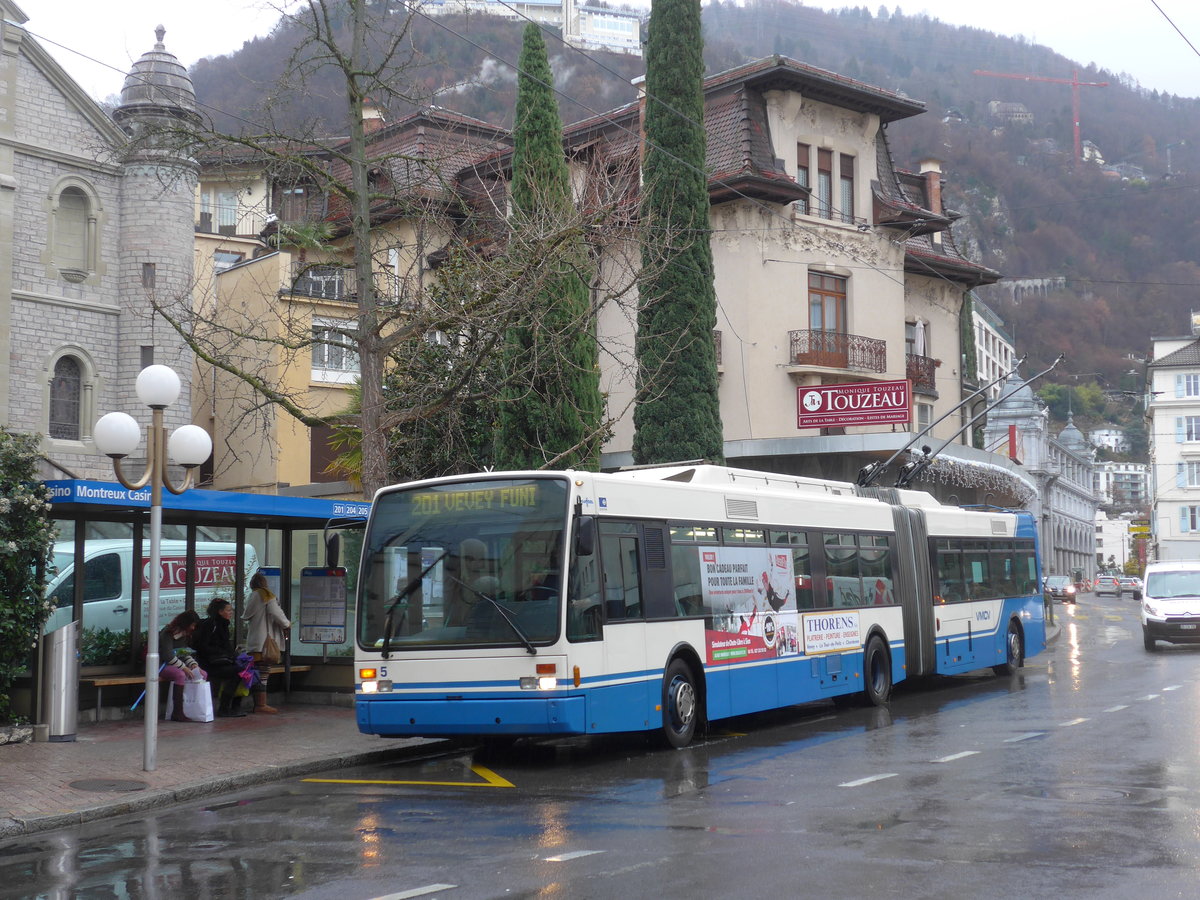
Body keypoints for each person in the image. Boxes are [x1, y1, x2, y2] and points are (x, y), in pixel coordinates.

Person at [242, 571, 290, 714]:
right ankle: (261, 705)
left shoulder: (252, 596)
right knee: (263, 672)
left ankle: (258, 703)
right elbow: (276, 613)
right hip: (265, 642)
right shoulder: (266, 595)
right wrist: (287, 624)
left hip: (254, 641)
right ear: (264, 584)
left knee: (257, 672)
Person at [194, 598, 247, 718]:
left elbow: (226, 646)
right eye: (228, 610)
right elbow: (203, 646)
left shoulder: (223, 625)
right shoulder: (210, 625)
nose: (231, 612)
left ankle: (235, 706)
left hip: (221, 661)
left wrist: (234, 655)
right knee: (238, 672)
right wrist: (223, 653)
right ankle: (224, 708)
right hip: (210, 663)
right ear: (220, 612)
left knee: (246, 671)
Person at [160, 610, 206, 723]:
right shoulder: (167, 633)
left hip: (177, 664)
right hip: (161, 665)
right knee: (180, 675)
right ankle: (177, 712)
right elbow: (168, 656)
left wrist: (193, 664)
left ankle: (195, 709)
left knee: (202, 674)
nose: (193, 628)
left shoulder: (184, 634)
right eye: (192, 625)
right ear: (185, 623)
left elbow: (184, 653)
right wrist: (184, 668)